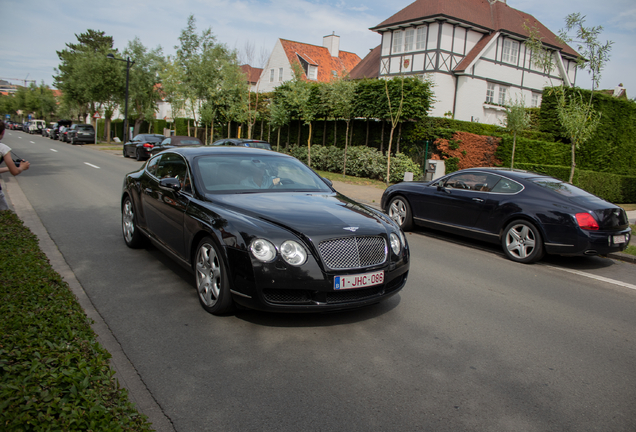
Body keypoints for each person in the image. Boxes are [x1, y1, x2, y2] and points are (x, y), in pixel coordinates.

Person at [0, 120, 31, 211]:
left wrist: (8, 168)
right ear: (3, 132)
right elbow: (15, 172)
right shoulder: (3, 149)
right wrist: (21, 167)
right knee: (5, 215)